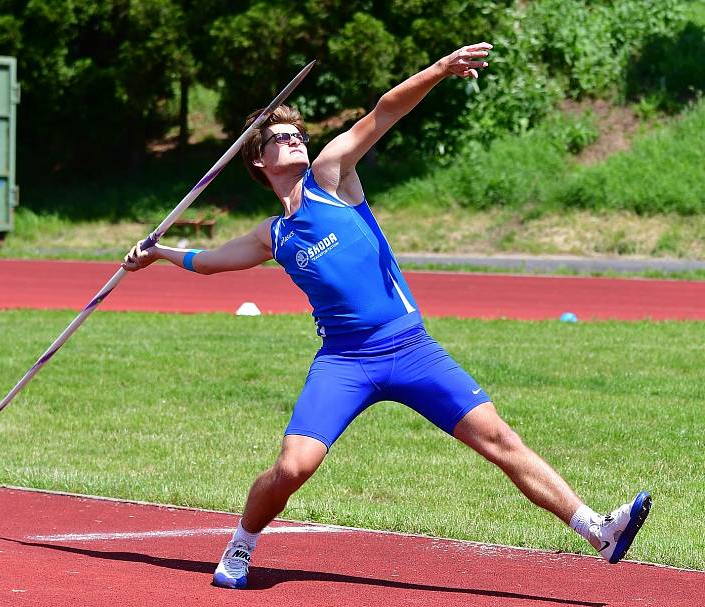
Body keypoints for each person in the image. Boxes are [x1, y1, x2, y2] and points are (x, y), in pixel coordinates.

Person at [122, 42, 652, 590]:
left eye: (296, 134)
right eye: (280, 138)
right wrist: (158, 254)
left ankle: (598, 529)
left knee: (500, 439)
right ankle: (242, 544)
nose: (294, 140)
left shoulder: (332, 177)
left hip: (411, 348)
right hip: (344, 362)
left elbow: (385, 110)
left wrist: (441, 71)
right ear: (258, 161)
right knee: (292, 469)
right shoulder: (272, 235)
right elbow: (209, 262)